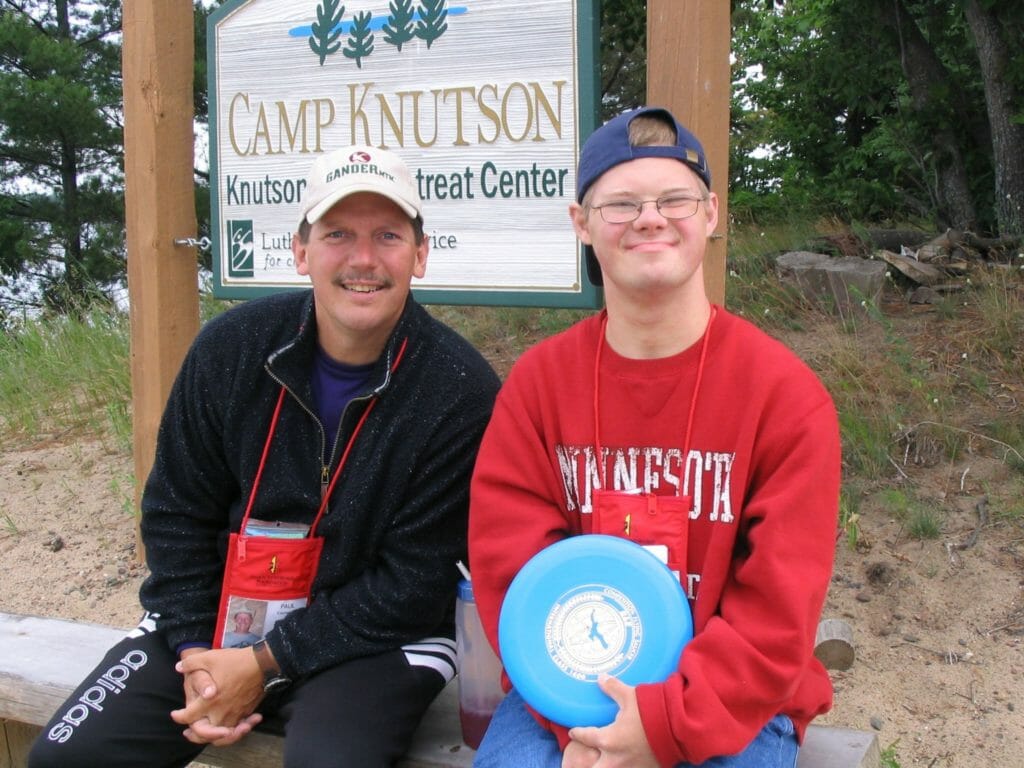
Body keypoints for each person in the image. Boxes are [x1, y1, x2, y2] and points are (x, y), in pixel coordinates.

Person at [29, 145, 501, 768]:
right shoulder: (233, 348)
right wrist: (201, 654)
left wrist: (261, 665)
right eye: (338, 234)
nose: (363, 258)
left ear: (420, 253)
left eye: (387, 235)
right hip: (220, 622)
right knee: (67, 760)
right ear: (301, 251)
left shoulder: (460, 389)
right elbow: (176, 514)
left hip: (375, 641)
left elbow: (414, 584)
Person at [467, 106, 841, 768]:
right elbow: (513, 574)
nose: (650, 217)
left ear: (711, 214)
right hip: (564, 695)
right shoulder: (538, 386)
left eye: (675, 198)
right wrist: (582, 729)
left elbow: (777, 615)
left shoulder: (785, 398)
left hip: (734, 704)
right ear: (581, 223)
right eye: (621, 204)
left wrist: (663, 726)